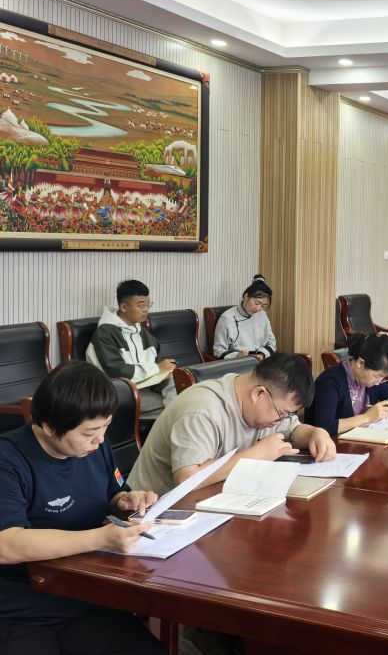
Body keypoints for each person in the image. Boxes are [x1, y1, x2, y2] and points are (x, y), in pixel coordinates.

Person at [0, 361, 165, 655]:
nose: (100, 440)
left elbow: (113, 493)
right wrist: (100, 538)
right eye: (90, 432)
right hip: (21, 606)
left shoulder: (94, 447)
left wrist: (125, 501)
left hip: (84, 592)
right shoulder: (8, 461)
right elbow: (7, 545)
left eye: (105, 427)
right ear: (49, 427)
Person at [127, 353, 335, 497]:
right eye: (282, 413)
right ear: (259, 393)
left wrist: (316, 434)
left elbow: (293, 429)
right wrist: (257, 454)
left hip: (213, 502)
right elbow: (187, 479)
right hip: (150, 514)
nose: (282, 420)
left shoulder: (263, 403)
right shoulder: (202, 409)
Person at [85, 279, 175, 418]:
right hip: (118, 391)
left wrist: (165, 369)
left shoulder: (138, 329)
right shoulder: (105, 333)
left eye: (148, 304)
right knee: (174, 407)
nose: (146, 309)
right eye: (141, 305)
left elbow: (155, 359)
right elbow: (116, 372)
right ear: (124, 307)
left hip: (145, 383)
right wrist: (157, 368)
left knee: (178, 383)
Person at [307, 334, 388, 435]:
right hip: (329, 441)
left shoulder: (370, 380)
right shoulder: (329, 382)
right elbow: (325, 427)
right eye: (377, 376)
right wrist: (367, 417)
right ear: (360, 363)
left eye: (382, 378)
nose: (378, 382)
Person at [212, 274, 277, 360]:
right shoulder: (227, 318)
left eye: (263, 306)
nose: (258, 309)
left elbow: (271, 343)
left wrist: (261, 354)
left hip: (261, 360)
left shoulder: (262, 315)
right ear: (246, 296)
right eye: (257, 303)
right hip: (239, 362)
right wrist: (237, 355)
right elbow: (218, 351)